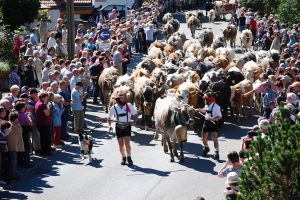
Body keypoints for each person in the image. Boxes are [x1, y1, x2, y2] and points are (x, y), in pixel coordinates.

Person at [107, 91, 138, 166]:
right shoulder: (114, 108)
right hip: (118, 127)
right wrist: (109, 126)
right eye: (123, 98)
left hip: (127, 126)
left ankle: (129, 157)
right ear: (118, 99)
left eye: (125, 98)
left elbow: (136, 114)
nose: (125, 100)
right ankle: (123, 157)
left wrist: (134, 121)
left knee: (127, 143)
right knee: (121, 145)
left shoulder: (129, 106)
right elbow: (109, 118)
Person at [197, 92, 222, 160]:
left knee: (214, 138)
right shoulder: (207, 105)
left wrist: (212, 118)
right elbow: (205, 111)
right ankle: (206, 147)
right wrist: (198, 109)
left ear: (208, 99)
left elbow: (219, 117)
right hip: (206, 123)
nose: (204, 100)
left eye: (205, 99)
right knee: (203, 138)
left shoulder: (216, 107)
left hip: (213, 123)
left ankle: (217, 151)